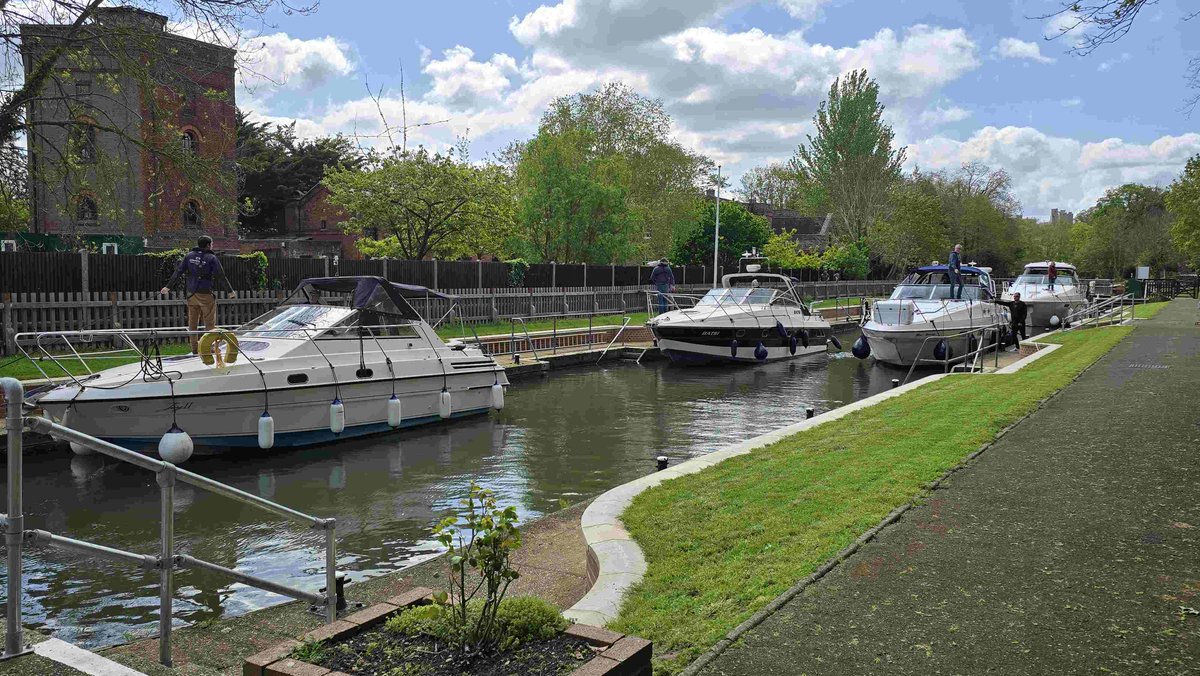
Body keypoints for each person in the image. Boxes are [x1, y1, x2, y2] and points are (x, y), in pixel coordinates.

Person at [160, 235, 234, 354]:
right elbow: (221, 275)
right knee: (209, 323)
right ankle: (209, 349)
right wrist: (230, 291)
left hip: (191, 295)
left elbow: (178, 271)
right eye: (212, 244)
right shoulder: (211, 258)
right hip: (205, 294)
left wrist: (167, 287)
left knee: (192, 323)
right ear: (208, 245)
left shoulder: (189, 256)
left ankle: (194, 349)